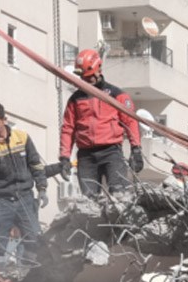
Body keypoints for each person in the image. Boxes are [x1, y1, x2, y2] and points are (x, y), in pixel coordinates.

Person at [0, 103, 47, 268]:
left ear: (5, 119)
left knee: (34, 237)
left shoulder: (23, 138)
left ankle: (29, 275)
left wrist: (42, 189)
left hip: (25, 197)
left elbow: (35, 165)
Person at [61, 49, 143, 196]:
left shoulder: (116, 95)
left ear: (99, 68)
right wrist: (64, 157)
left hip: (112, 152)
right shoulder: (75, 99)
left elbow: (131, 122)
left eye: (91, 76)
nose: (88, 80)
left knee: (120, 195)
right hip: (86, 156)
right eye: (85, 77)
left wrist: (136, 149)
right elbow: (68, 129)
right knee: (88, 201)